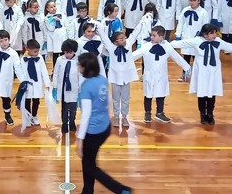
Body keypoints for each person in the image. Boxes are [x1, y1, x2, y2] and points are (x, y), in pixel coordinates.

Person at [75, 52, 132, 194]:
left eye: (79, 65)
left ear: (85, 68)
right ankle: (87, 191)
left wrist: (79, 139)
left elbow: (86, 115)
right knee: (89, 161)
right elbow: (109, 101)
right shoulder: (102, 79)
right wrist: (111, 121)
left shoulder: (86, 86)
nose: (77, 67)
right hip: (104, 127)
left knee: (89, 166)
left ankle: (120, 189)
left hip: (92, 132)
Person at [171, 24, 232, 125]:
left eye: (216, 32)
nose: (215, 35)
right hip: (201, 70)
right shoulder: (197, 41)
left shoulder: (218, 41)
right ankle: (202, 114)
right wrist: (167, 43)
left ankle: (210, 113)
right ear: (205, 35)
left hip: (213, 70)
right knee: (201, 92)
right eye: (213, 33)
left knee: (211, 91)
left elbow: (229, 46)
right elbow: (182, 43)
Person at [97, 13, 153, 127]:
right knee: (116, 98)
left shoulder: (128, 45)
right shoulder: (111, 48)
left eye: (124, 37)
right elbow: (104, 37)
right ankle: (117, 116)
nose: (124, 39)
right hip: (115, 77)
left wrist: (142, 21)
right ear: (115, 42)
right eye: (121, 39)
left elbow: (134, 33)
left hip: (126, 77)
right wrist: (97, 26)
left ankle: (125, 116)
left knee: (126, 98)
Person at [133, 26, 190, 122]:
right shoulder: (146, 46)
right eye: (151, 35)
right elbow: (134, 55)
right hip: (149, 75)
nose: (151, 37)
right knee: (148, 95)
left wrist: (187, 68)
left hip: (161, 76)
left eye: (154, 35)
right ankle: (147, 113)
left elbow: (177, 58)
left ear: (161, 36)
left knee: (161, 94)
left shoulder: (167, 47)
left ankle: (159, 113)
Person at [21, 39, 51, 127]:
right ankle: (28, 117)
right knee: (27, 101)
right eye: (35, 51)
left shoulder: (40, 58)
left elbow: (44, 71)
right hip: (28, 85)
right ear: (28, 49)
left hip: (37, 84)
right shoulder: (23, 59)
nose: (37, 53)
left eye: (38, 51)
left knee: (36, 101)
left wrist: (47, 84)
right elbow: (21, 72)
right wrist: (23, 82)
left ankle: (34, 116)